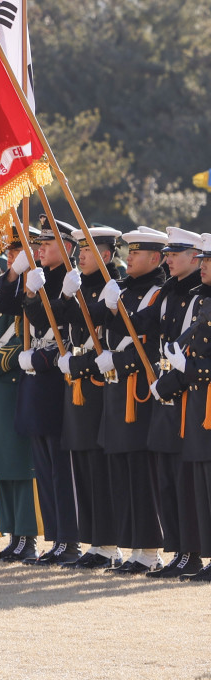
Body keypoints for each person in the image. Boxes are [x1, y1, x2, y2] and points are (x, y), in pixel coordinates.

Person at [74, 226, 167, 574]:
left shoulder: (158, 294)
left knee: (141, 472)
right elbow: (89, 321)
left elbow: (152, 341)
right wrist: (79, 295)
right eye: (128, 252)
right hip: (115, 390)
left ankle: (148, 551)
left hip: (138, 391)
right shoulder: (123, 289)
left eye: (137, 253)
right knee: (120, 472)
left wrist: (120, 359)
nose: (129, 258)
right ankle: (127, 546)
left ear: (155, 258)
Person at [136, 226, 203, 577]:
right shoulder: (166, 292)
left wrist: (170, 385)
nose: (168, 260)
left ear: (195, 258)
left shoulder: (199, 296)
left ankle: (191, 551)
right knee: (165, 477)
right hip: (163, 394)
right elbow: (135, 325)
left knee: (185, 479)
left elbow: (197, 353)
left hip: (184, 395)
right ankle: (177, 548)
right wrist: (111, 303)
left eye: (175, 255)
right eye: (168, 254)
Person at [55, 226, 122, 570]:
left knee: (99, 466)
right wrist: (64, 297)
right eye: (79, 250)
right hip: (75, 377)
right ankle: (94, 541)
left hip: (96, 380)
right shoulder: (81, 285)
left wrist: (76, 302)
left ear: (107, 255)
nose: (80, 255)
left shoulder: (113, 287)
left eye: (87, 250)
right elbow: (52, 318)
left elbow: (93, 318)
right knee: (81, 462)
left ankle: (110, 544)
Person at [0, 228, 43, 562]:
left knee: (20, 463)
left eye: (18, 251)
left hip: (16, 379)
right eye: (10, 252)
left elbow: (31, 331)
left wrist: (0, 359)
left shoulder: (36, 282)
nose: (11, 257)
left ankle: (27, 536)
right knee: (2, 462)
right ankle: (13, 533)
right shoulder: (5, 281)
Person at [15, 223, 82, 565]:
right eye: (38, 242)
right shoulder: (41, 276)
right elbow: (12, 308)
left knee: (60, 468)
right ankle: (56, 538)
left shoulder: (71, 278)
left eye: (48, 242)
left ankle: (69, 541)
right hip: (37, 381)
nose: (40, 248)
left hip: (58, 380)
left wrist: (58, 296)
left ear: (69, 246)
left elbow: (63, 326)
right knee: (43, 467)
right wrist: (27, 293)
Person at [155, 234, 211, 581]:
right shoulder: (201, 300)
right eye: (202, 260)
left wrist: (185, 369)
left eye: (208, 261)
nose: (203, 266)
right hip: (199, 401)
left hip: (206, 399)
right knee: (200, 483)